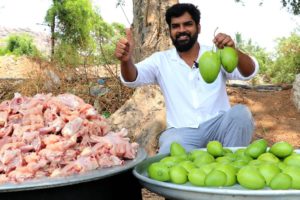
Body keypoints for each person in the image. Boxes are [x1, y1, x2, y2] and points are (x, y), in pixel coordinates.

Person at [114, 3, 259, 155]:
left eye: (187, 24)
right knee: (170, 149)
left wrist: (233, 50)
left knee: (241, 114)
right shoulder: (160, 61)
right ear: (170, 31)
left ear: (199, 27)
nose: (182, 30)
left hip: (218, 127)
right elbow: (132, 78)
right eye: (176, 26)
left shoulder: (216, 54)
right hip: (181, 133)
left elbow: (250, 71)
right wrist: (126, 60)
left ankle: (231, 164)